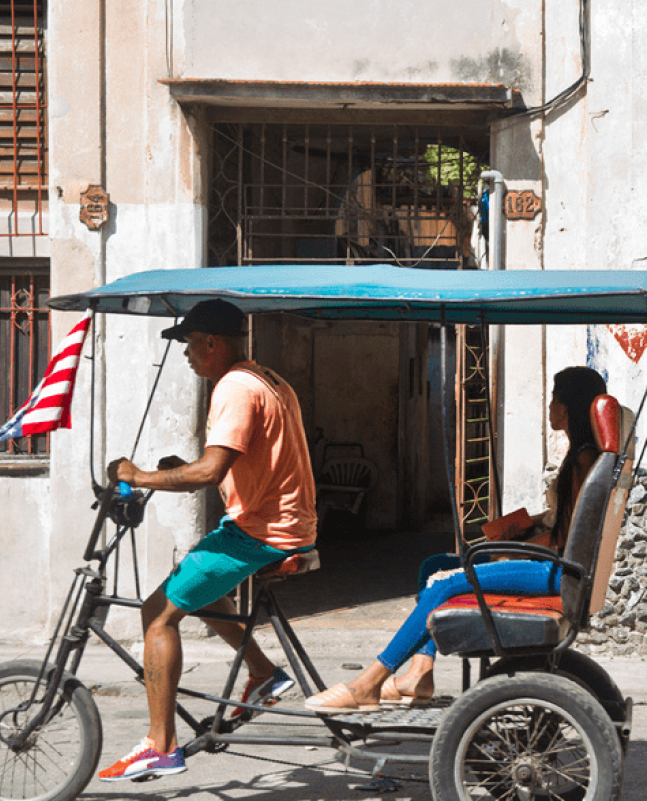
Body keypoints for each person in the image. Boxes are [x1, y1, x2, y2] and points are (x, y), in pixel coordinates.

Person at [98, 299, 317, 781]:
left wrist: (139, 476)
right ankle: (263, 673)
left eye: (190, 344)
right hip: (279, 524)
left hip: (262, 532)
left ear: (212, 343)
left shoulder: (234, 387)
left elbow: (211, 471)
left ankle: (161, 745)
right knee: (195, 591)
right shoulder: (267, 379)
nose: (186, 355)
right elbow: (245, 464)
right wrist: (180, 471)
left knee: (157, 613)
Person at [304, 366, 606, 713]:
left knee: (444, 583)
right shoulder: (580, 455)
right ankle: (419, 673)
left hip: (552, 571)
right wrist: (521, 526)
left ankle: (368, 683)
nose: (549, 407)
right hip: (553, 565)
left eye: (553, 399)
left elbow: (563, 538)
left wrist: (509, 552)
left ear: (566, 408)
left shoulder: (583, 460)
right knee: (434, 566)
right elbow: (560, 520)